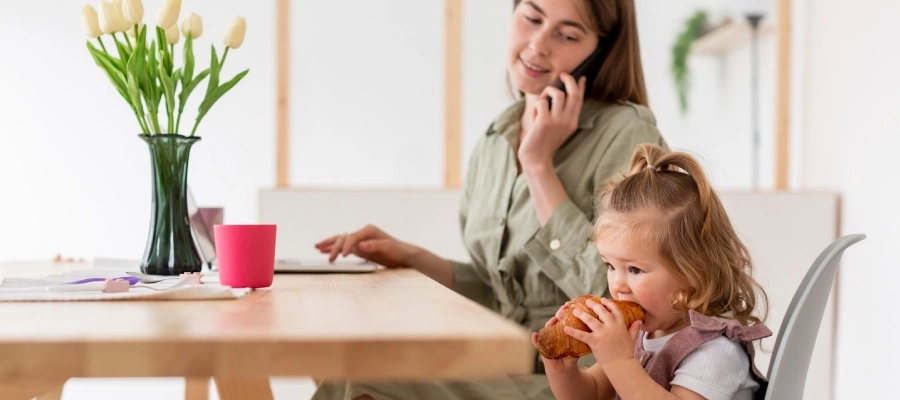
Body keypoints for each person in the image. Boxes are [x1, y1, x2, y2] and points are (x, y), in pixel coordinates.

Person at [312, 0, 665, 398]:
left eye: (566, 35)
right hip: (498, 360)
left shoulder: (626, 132)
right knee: (349, 367)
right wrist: (412, 258)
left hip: (577, 378)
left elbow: (619, 290)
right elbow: (497, 288)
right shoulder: (498, 136)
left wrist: (538, 166)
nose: (537, 45)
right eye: (531, 18)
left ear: (602, 50)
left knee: (372, 375)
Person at [535, 143, 772, 400]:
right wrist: (563, 373)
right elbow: (591, 395)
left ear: (693, 271)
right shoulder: (639, 334)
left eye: (635, 269)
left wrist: (620, 362)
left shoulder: (714, 349)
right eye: (610, 266)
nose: (618, 285)